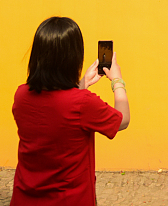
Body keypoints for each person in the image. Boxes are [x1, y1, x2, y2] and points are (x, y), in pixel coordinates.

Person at [11, 17, 130, 205]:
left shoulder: (21, 95)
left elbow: (55, 112)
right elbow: (122, 120)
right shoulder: (82, 103)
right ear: (73, 58)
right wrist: (117, 80)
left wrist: (81, 85)